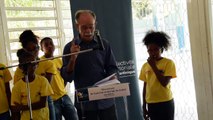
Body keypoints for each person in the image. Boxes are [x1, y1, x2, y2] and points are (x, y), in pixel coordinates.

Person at [61, 9, 119, 120]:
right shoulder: (69, 48)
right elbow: (67, 78)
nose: (88, 31)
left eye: (91, 26)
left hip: (106, 101)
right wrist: (73, 58)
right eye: (84, 27)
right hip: (85, 105)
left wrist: (113, 77)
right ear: (76, 25)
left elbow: (112, 67)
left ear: (95, 24)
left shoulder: (104, 44)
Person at [13, 30, 56, 120]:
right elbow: (19, 91)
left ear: (38, 47)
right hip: (27, 104)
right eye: (29, 50)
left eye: (35, 48)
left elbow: (44, 90)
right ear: (25, 50)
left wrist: (22, 107)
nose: (33, 52)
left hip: (45, 101)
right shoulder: (19, 70)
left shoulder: (47, 63)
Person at [139, 30, 177, 120]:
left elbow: (164, 83)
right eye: (150, 50)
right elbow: (145, 87)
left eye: (156, 49)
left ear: (162, 49)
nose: (153, 53)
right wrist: (144, 106)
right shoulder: (145, 66)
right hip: (151, 103)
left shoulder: (168, 63)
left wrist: (153, 66)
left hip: (166, 102)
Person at [40, 37, 78, 120]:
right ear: (41, 48)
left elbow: (65, 77)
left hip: (64, 95)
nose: (49, 46)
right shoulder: (39, 63)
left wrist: (61, 88)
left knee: (74, 117)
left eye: (51, 44)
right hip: (51, 100)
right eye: (46, 45)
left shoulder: (59, 60)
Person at [11, 48, 53, 120]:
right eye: (28, 64)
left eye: (34, 63)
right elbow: (15, 109)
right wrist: (20, 108)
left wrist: (22, 107)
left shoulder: (43, 81)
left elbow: (42, 103)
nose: (32, 67)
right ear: (21, 67)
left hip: (42, 118)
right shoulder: (17, 87)